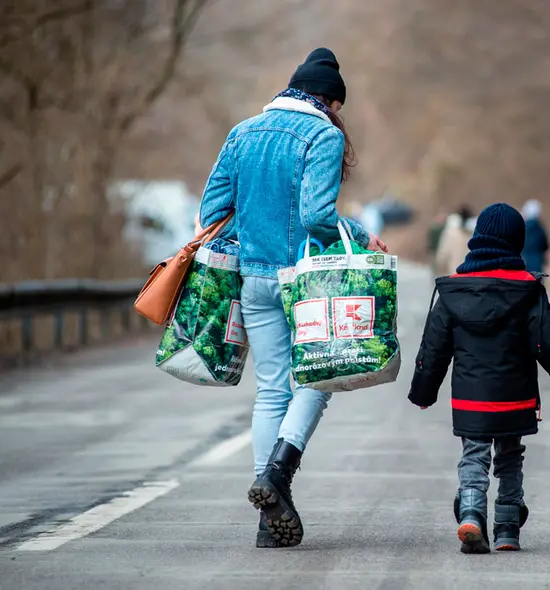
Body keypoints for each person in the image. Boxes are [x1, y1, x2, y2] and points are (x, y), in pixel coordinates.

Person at [198, 47, 387, 549]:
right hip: (305, 281)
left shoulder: (243, 132)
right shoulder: (322, 134)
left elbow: (211, 209)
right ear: (330, 101)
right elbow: (316, 216)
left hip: (252, 278)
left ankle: (268, 518)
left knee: (270, 390)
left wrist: (252, 229)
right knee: (322, 374)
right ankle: (278, 475)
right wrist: (360, 234)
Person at [409, 203, 550, 554]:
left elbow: (434, 345)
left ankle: (472, 513)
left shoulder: (453, 290)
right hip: (515, 397)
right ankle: (506, 528)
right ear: (517, 243)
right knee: (510, 457)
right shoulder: (528, 289)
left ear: (478, 240)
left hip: (469, 399)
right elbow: (548, 341)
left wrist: (424, 391)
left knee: (473, 455)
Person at [433, 204, 473, 277]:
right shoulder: (476, 234)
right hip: (473, 276)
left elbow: (442, 255)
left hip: (455, 275)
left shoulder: (450, 233)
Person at [520, 199, 550, 273]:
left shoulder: (520, 228)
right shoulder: (541, 229)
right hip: (537, 265)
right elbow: (546, 249)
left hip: (523, 263)